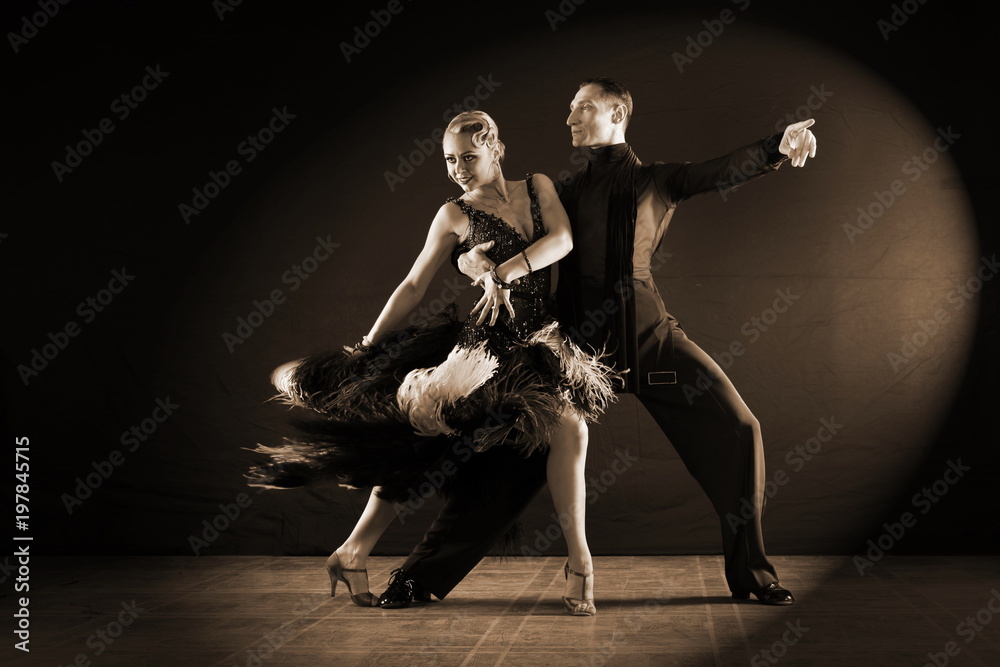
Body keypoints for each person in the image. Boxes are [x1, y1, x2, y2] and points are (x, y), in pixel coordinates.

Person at [377, 77, 817, 608]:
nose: (570, 118)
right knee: (507, 467)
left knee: (741, 428)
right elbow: (507, 232)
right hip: (570, 351)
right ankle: (419, 578)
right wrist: (465, 259)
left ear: (617, 112)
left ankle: (754, 576)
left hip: (649, 340)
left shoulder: (660, 181)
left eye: (582, 107)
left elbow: (719, 170)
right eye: (569, 109)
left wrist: (776, 146)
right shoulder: (560, 191)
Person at [248, 110, 618, 616]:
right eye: (449, 160)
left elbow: (563, 240)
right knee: (420, 446)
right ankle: (353, 550)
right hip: (484, 350)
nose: (459, 168)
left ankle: (580, 562)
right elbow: (414, 284)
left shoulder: (538, 187)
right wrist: (370, 342)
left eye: (468, 156)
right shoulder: (453, 214)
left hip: (539, 342)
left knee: (572, 429)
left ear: (496, 148)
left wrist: (502, 272)